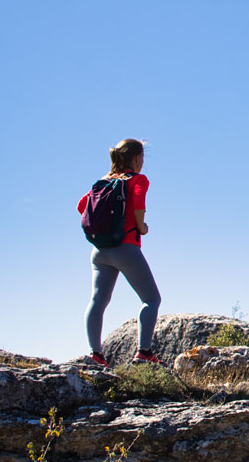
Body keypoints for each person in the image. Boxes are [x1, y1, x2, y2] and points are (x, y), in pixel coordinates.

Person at [77, 138, 162, 366]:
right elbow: (138, 204)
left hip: (99, 251)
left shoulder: (103, 182)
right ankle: (144, 353)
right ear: (136, 158)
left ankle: (96, 355)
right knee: (151, 299)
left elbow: (81, 206)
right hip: (125, 248)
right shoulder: (138, 180)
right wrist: (141, 226)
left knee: (98, 300)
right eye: (142, 157)